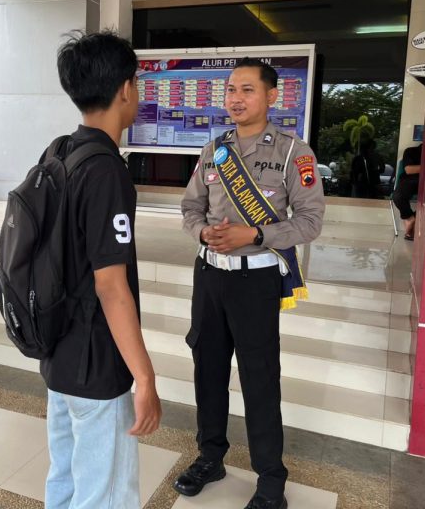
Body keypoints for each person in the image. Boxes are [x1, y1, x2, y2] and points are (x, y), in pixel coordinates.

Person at [177, 58, 325, 509]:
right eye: (230, 90)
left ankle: (271, 480)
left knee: (259, 379)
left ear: (271, 96)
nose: (236, 99)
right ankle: (210, 457)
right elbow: (190, 208)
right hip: (209, 277)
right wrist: (202, 232)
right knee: (208, 371)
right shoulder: (214, 149)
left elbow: (310, 221)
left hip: (255, 281)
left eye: (247, 90)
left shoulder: (294, 153)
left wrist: (255, 235)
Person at [42, 31, 161, 509]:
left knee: (66, 480)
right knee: (106, 494)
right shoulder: (107, 170)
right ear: (125, 89)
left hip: (58, 351)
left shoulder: (59, 151)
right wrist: (144, 377)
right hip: (97, 362)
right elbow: (111, 286)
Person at [393, 143, 422, 240]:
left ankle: (414, 222)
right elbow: (409, 170)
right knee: (398, 197)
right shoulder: (411, 151)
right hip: (409, 181)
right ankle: (410, 218)